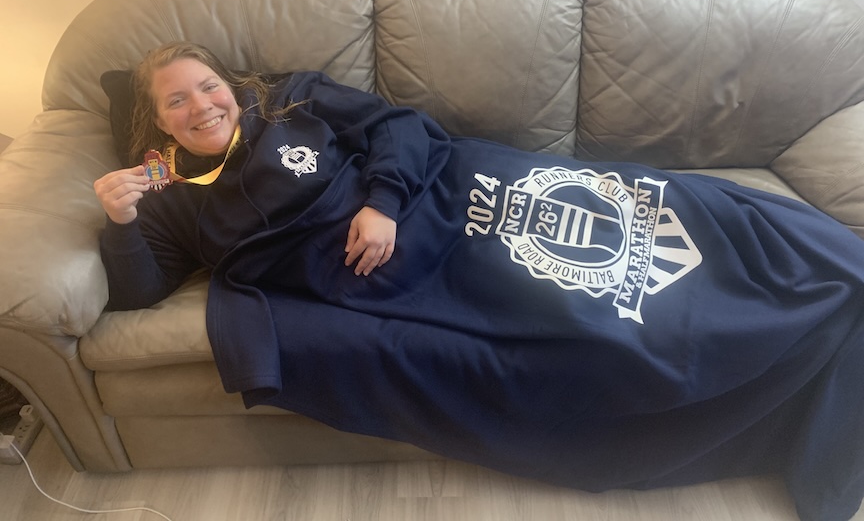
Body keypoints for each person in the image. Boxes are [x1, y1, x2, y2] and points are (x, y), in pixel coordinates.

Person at [94, 42, 864, 521]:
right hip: (382, 274)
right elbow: (134, 293)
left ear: (231, 85)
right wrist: (121, 223)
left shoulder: (292, 99)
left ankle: (830, 277)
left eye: (208, 87)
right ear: (159, 121)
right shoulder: (169, 200)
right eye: (177, 100)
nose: (201, 105)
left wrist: (383, 202)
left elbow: (396, 125)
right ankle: (780, 354)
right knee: (603, 317)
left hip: (437, 193)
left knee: (655, 202)